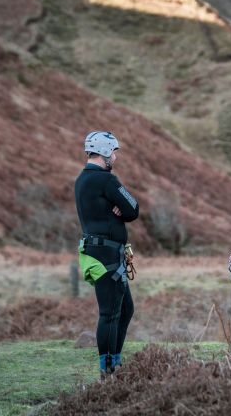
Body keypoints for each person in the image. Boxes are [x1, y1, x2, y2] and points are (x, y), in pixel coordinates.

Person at [75, 131, 140, 379]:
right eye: (113, 152)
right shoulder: (106, 180)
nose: (115, 156)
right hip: (107, 255)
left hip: (97, 252)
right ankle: (109, 371)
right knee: (111, 313)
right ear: (104, 152)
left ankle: (115, 364)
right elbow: (133, 208)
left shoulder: (81, 179)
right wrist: (120, 211)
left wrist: (116, 211)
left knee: (124, 310)